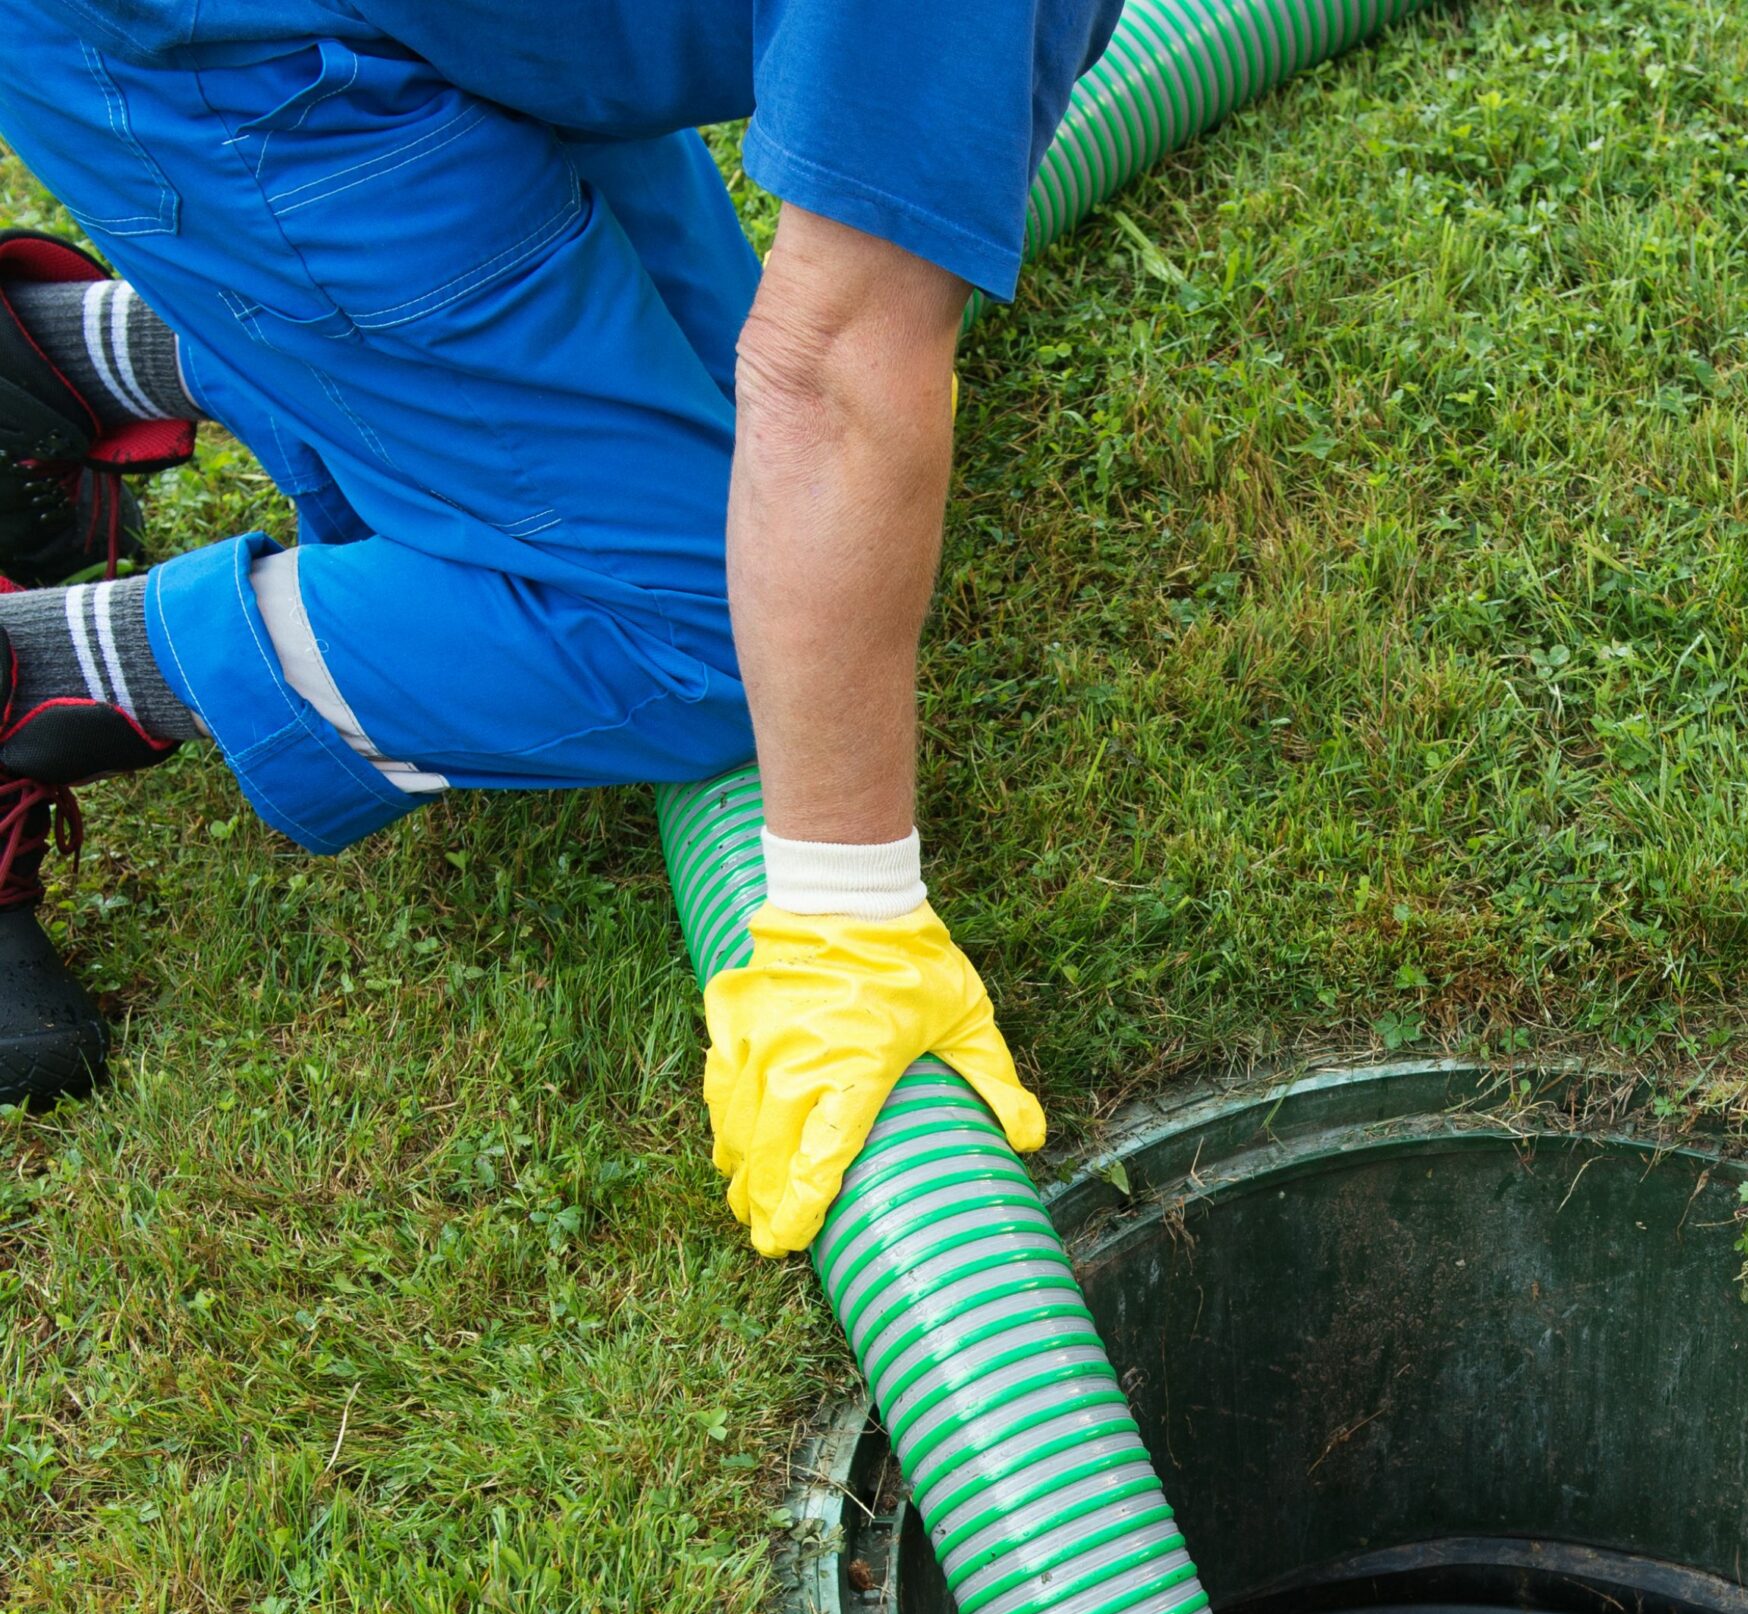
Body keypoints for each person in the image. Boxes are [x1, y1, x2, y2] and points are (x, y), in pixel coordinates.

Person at [0, 3, 1095, 1251]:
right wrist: (849, 920)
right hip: (219, 44)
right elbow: (837, 368)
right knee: (705, 628)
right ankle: (37, 676)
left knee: (756, 496)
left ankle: (60, 359)